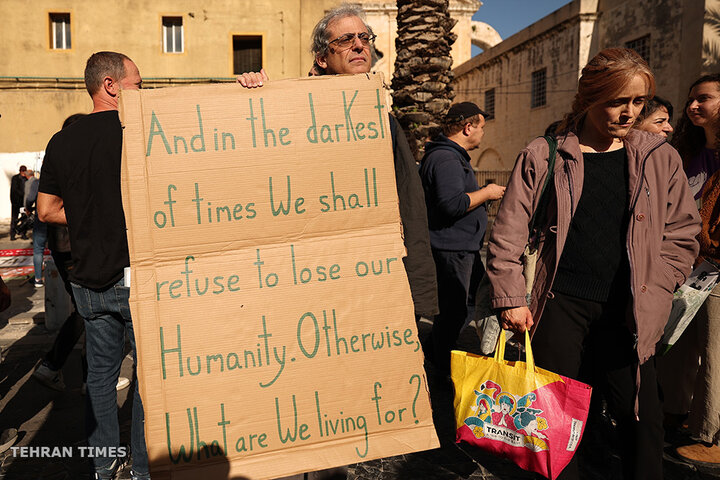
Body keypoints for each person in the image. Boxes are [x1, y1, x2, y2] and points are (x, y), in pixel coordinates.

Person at [487, 48, 700, 480]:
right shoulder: (544, 154)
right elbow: (507, 232)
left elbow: (682, 233)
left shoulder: (660, 158)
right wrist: (511, 297)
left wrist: (660, 283)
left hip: (631, 311)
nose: (629, 112)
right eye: (617, 101)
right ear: (589, 97)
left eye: (638, 102)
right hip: (558, 305)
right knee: (556, 422)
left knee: (643, 421)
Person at [238, 4, 439, 322]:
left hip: (373, 286)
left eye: (364, 37)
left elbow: (410, 209)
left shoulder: (382, 124)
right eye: (345, 39)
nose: (359, 45)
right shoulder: (290, 115)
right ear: (322, 58)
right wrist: (251, 99)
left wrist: (421, 300)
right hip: (308, 288)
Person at [37, 51, 148, 480]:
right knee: (147, 381)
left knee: (99, 378)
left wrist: (86, 213)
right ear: (111, 85)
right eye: (138, 84)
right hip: (135, 275)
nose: (144, 92)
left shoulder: (61, 140)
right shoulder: (136, 133)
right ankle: (142, 469)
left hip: (86, 279)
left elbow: (47, 210)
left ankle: (103, 466)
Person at [33, 113, 130, 395]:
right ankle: (58, 366)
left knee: (86, 312)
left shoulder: (61, 156)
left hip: (68, 250)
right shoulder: (74, 160)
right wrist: (90, 217)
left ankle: (82, 375)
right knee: (86, 312)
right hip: (74, 251)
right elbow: (49, 210)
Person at [419, 102, 505, 373]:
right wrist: (488, 193)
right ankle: (440, 362)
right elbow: (452, 204)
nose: (482, 134)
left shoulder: (450, 157)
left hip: (461, 248)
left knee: (468, 303)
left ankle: (436, 352)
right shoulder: (446, 159)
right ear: (468, 127)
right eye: (481, 127)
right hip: (452, 249)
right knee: (455, 310)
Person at [668, 73, 720, 465]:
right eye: (691, 100)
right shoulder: (686, 152)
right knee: (679, 345)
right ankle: (679, 416)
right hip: (683, 264)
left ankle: (710, 436)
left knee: (714, 350)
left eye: (704, 98)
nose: (693, 106)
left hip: (716, 265)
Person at [23, 169, 46, 287]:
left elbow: (30, 198)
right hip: (56, 219)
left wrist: (27, 208)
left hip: (42, 218)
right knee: (57, 249)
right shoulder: (62, 178)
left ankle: (38, 279)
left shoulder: (38, 182)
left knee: (38, 250)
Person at [9, 165, 27, 241]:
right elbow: (14, 190)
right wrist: (24, 194)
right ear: (20, 171)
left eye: (24, 171)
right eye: (22, 171)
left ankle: (23, 234)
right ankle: (12, 234)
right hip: (16, 203)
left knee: (24, 218)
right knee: (14, 218)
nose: (23, 173)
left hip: (23, 203)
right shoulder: (15, 178)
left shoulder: (26, 179)